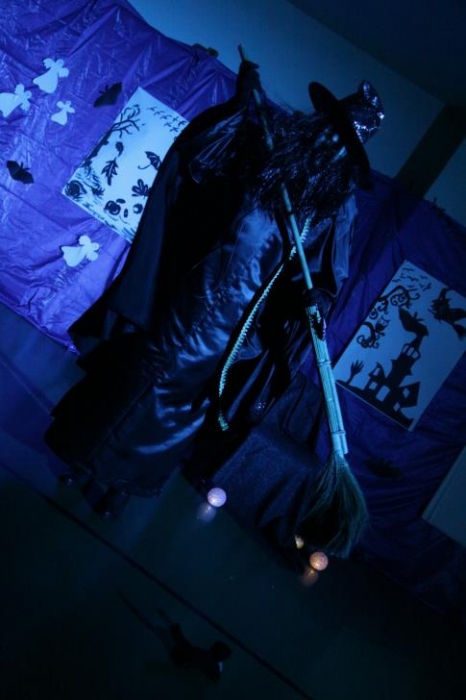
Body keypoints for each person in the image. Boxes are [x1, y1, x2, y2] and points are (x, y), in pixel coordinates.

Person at [44, 59, 384, 521]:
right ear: (319, 124)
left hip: (239, 323)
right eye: (330, 130)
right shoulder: (271, 152)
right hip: (195, 287)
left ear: (350, 158)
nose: (332, 144)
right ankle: (86, 459)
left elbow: (326, 275)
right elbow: (207, 164)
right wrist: (241, 104)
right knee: (138, 372)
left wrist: (316, 299)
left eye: (344, 144)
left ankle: (123, 485)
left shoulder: (334, 210)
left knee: (182, 406)